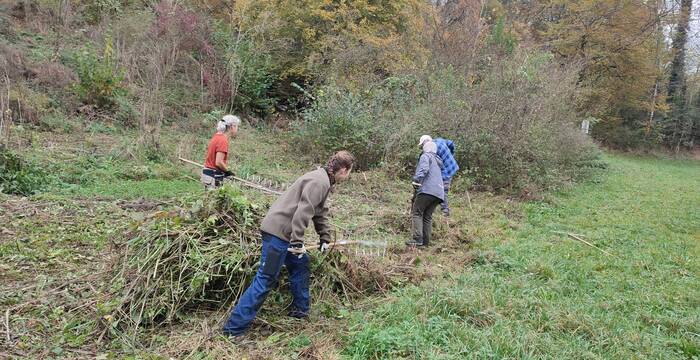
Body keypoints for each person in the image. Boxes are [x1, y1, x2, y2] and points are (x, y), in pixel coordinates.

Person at [222, 151, 355, 337]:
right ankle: (233, 329)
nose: (347, 177)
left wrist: (325, 237)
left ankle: (300, 312)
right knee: (265, 279)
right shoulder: (320, 181)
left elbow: (320, 211)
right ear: (343, 170)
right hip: (278, 234)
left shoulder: (323, 179)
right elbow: (303, 211)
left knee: (300, 265)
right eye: (348, 173)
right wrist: (297, 242)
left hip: (284, 233)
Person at [407, 140, 444, 247]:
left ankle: (417, 239)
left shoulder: (426, 156)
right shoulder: (438, 161)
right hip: (439, 193)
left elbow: (423, 169)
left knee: (417, 213)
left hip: (428, 190)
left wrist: (416, 180)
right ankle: (425, 243)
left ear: (425, 148)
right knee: (427, 216)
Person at [201, 114, 240, 189]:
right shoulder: (223, 140)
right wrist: (228, 172)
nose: (237, 129)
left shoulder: (217, 136)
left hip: (208, 175)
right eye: (236, 126)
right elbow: (218, 162)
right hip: (213, 176)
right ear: (231, 127)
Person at [432, 137, 459, 216]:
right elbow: (451, 143)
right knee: (440, 189)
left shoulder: (433, 151)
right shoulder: (439, 140)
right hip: (453, 166)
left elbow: (437, 166)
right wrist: (451, 154)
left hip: (447, 171)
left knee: (443, 190)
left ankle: (445, 211)